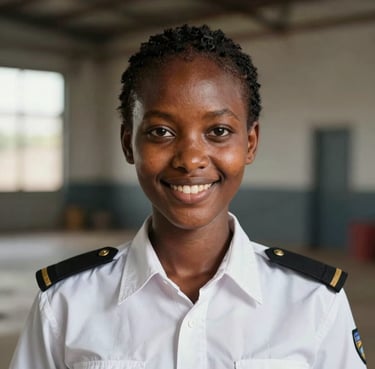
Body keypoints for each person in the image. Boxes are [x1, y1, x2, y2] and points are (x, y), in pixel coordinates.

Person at [10, 24, 367, 369]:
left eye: (218, 131)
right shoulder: (64, 303)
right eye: (161, 131)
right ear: (128, 143)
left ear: (250, 143)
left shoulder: (314, 302)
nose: (190, 159)